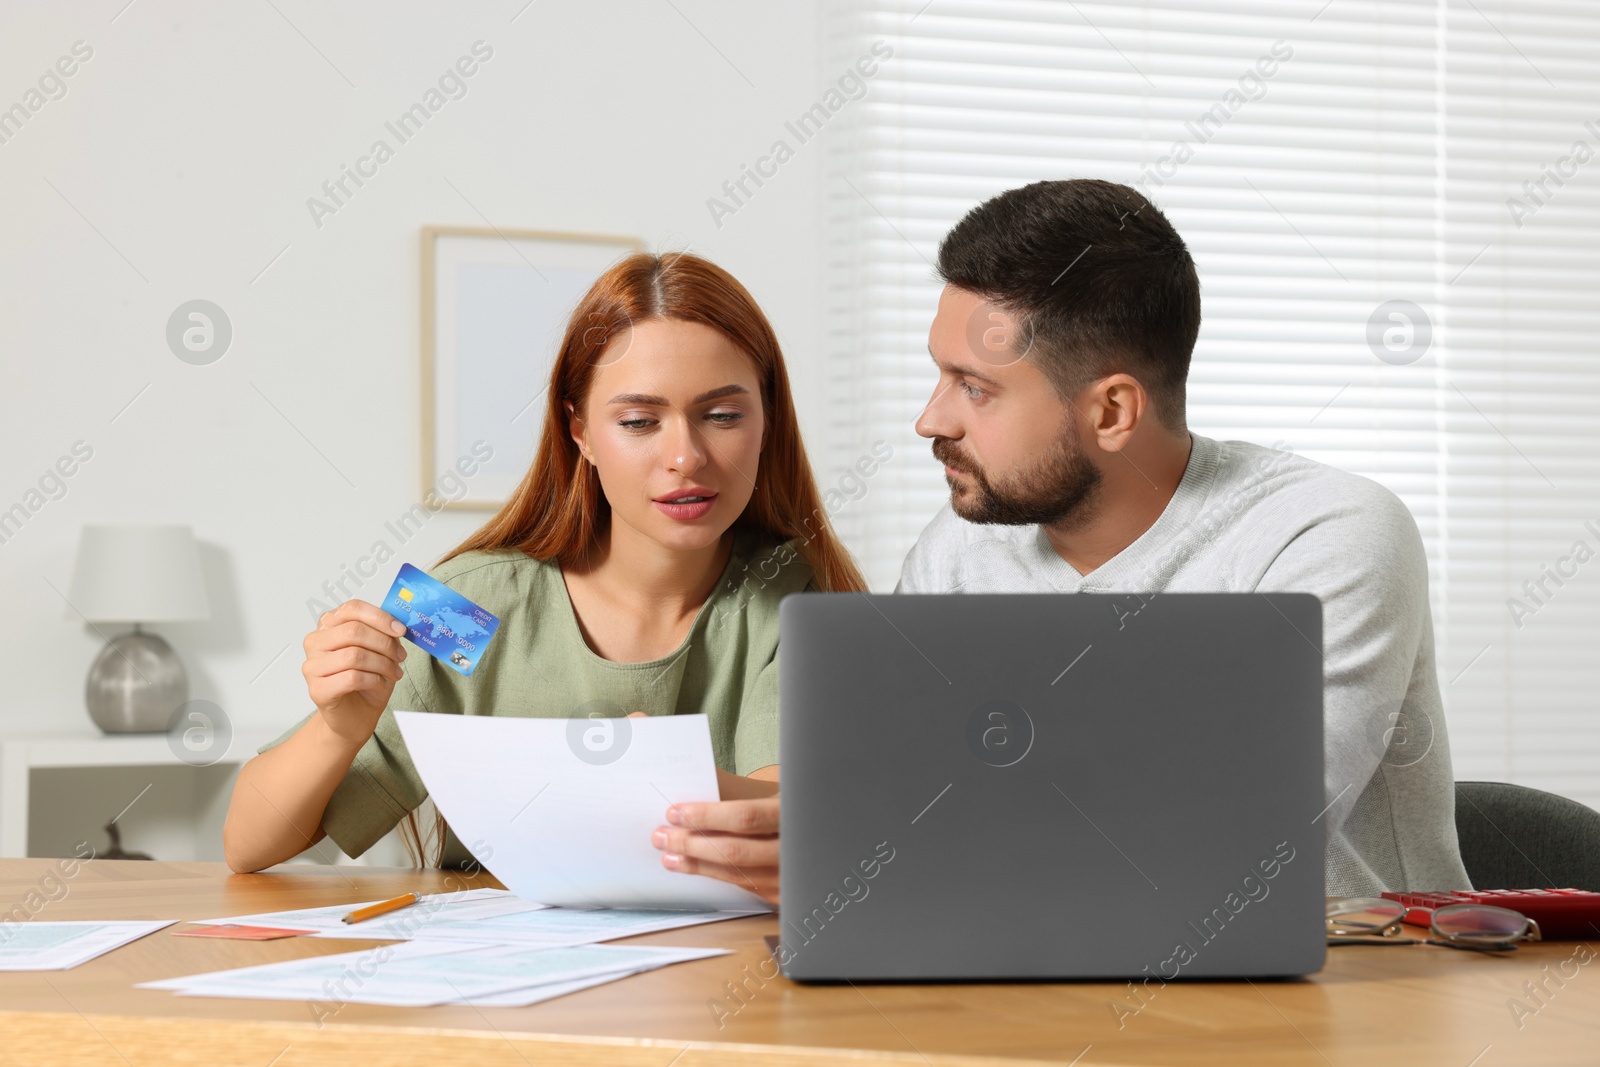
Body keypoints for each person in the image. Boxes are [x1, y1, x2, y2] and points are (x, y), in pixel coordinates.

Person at [223, 252, 864, 903]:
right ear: (580, 432)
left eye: (722, 415)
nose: (685, 457)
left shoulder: (794, 593)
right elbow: (245, 844)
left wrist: (650, 778)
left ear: (768, 420)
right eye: (639, 421)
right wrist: (339, 725)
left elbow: (787, 817)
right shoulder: (462, 601)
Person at [896, 178, 1472, 896]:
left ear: (1112, 411)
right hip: (1038, 977)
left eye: (974, 387)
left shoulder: (1326, 534)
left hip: (1357, 987)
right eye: (939, 376)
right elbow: (903, 804)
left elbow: (1236, 840)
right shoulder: (959, 547)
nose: (931, 419)